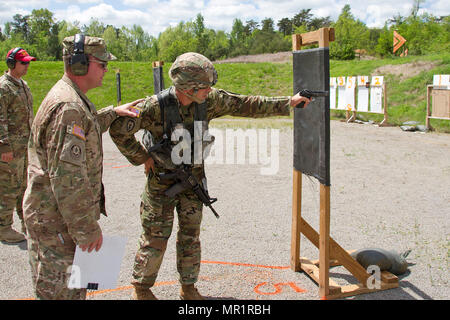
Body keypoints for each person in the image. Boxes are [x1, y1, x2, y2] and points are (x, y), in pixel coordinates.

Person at [109, 52, 311, 300]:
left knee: (190, 237)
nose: (209, 90)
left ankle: (188, 288)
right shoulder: (154, 107)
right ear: (187, 87)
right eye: (204, 86)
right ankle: (141, 290)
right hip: (160, 184)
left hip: (192, 183)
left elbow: (245, 104)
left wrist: (288, 102)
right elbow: (119, 130)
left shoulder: (209, 101)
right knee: (154, 238)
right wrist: (142, 157)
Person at [22, 34, 142, 300]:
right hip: (57, 226)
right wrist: (86, 229)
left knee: (75, 292)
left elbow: (86, 128)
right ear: (79, 65)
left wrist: (113, 112)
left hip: (60, 222)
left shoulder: (73, 99)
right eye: (102, 64)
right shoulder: (69, 107)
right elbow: (67, 179)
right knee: (61, 295)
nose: (106, 70)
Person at [0, 48, 36, 243]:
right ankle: (3, 227)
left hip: (23, 146)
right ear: (12, 64)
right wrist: (3, 146)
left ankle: (26, 221)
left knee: (24, 185)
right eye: (23, 62)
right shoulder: (3, 87)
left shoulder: (23, 85)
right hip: (10, 148)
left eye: (28, 62)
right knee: (7, 187)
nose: (27, 66)